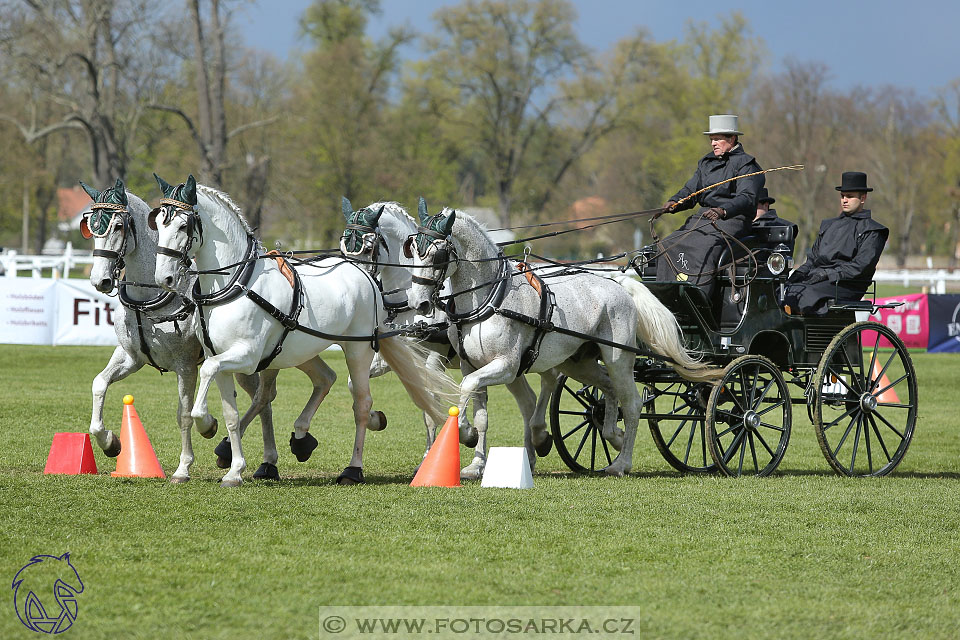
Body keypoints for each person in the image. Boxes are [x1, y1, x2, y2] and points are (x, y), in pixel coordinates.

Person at [656, 114, 765, 300]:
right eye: (711, 140)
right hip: (702, 219)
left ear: (732, 139)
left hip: (732, 221)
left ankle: (698, 300)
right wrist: (675, 202)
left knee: (703, 248)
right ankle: (666, 297)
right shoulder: (706, 163)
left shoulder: (748, 166)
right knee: (666, 245)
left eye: (717, 139)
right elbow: (692, 190)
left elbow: (747, 198)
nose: (713, 144)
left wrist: (723, 210)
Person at [782, 171, 888, 315]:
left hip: (847, 284)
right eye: (842, 196)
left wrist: (827, 274)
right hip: (820, 278)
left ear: (863, 198)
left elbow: (860, 267)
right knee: (783, 290)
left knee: (804, 294)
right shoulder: (828, 225)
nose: (844, 200)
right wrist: (797, 274)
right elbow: (812, 260)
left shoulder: (873, 230)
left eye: (850, 196)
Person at [752, 187, 797, 253]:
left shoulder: (782, 226)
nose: (749, 208)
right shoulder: (739, 225)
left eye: (754, 205)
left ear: (766, 205)